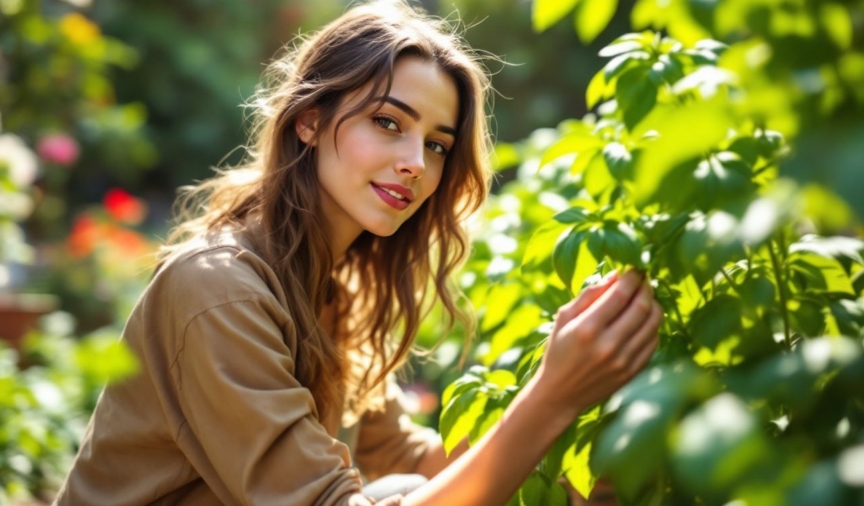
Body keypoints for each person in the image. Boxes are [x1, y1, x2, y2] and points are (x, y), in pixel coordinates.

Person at [52, 1, 662, 505]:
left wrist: (585, 458)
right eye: (389, 122)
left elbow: (409, 457)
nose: (415, 164)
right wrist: (550, 398)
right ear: (310, 121)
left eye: (438, 145)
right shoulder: (219, 290)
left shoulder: (334, 292)